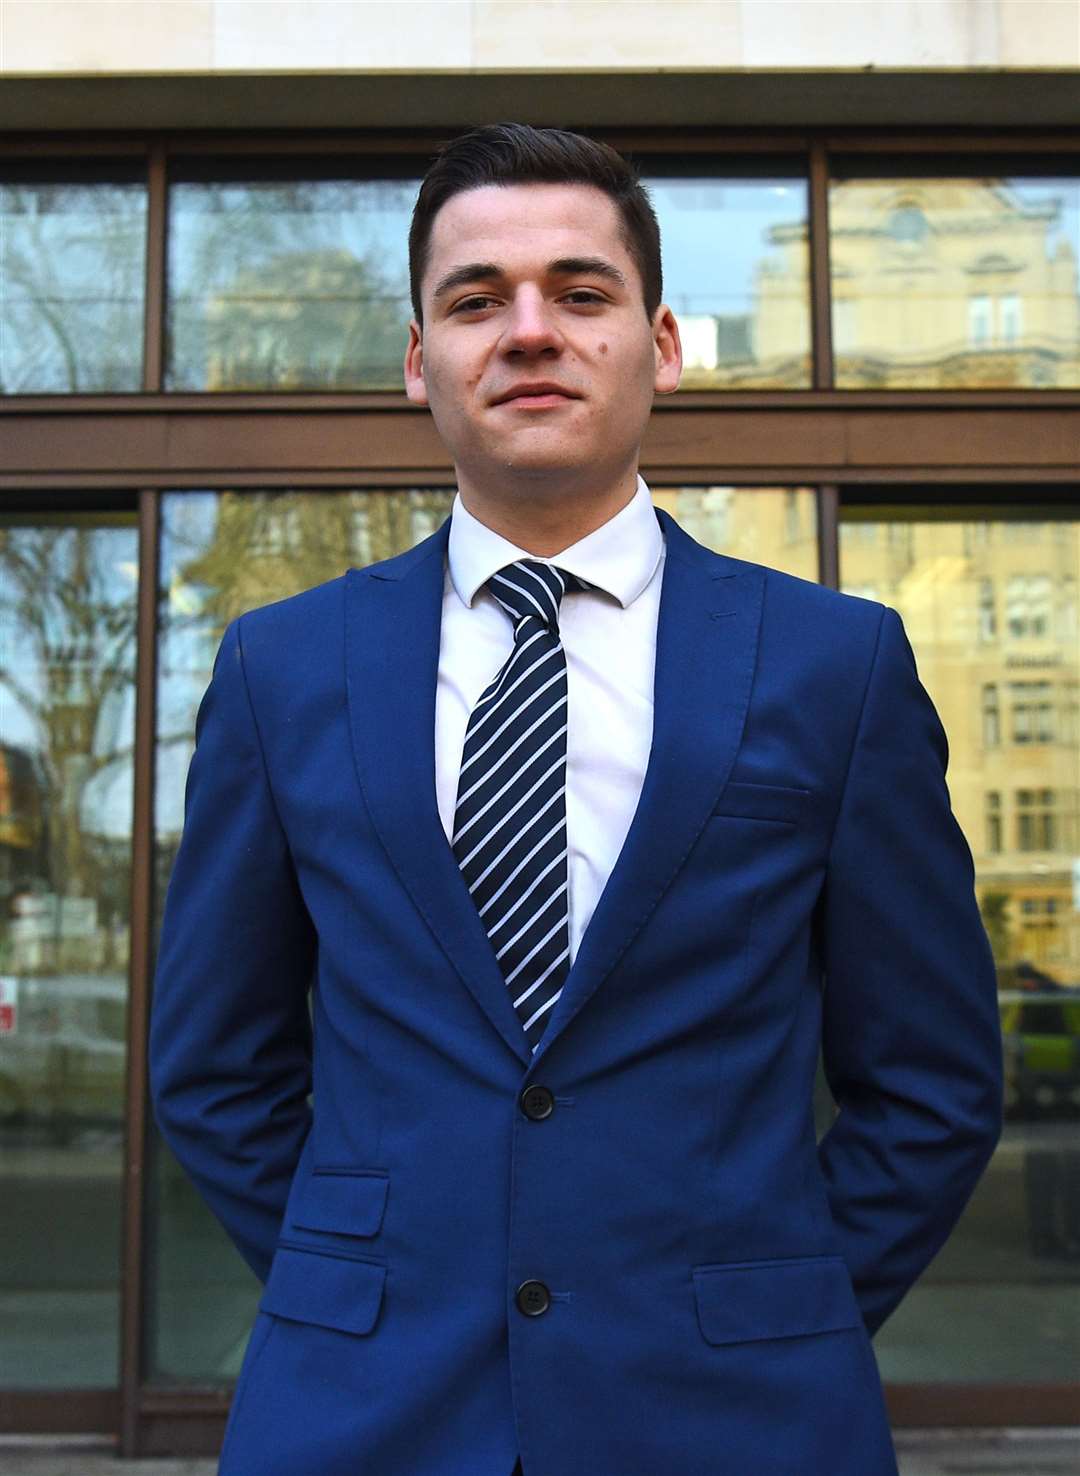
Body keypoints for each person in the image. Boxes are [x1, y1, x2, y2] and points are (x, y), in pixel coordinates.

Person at [149, 123, 1004, 1476]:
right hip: (363, 1417)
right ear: (418, 357)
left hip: (744, 1419)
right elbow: (213, 1066)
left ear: (661, 346)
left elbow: (935, 1081)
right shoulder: (282, 668)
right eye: (477, 298)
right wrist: (365, 1278)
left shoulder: (837, 668)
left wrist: (780, 1300)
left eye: (581, 292)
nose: (530, 330)